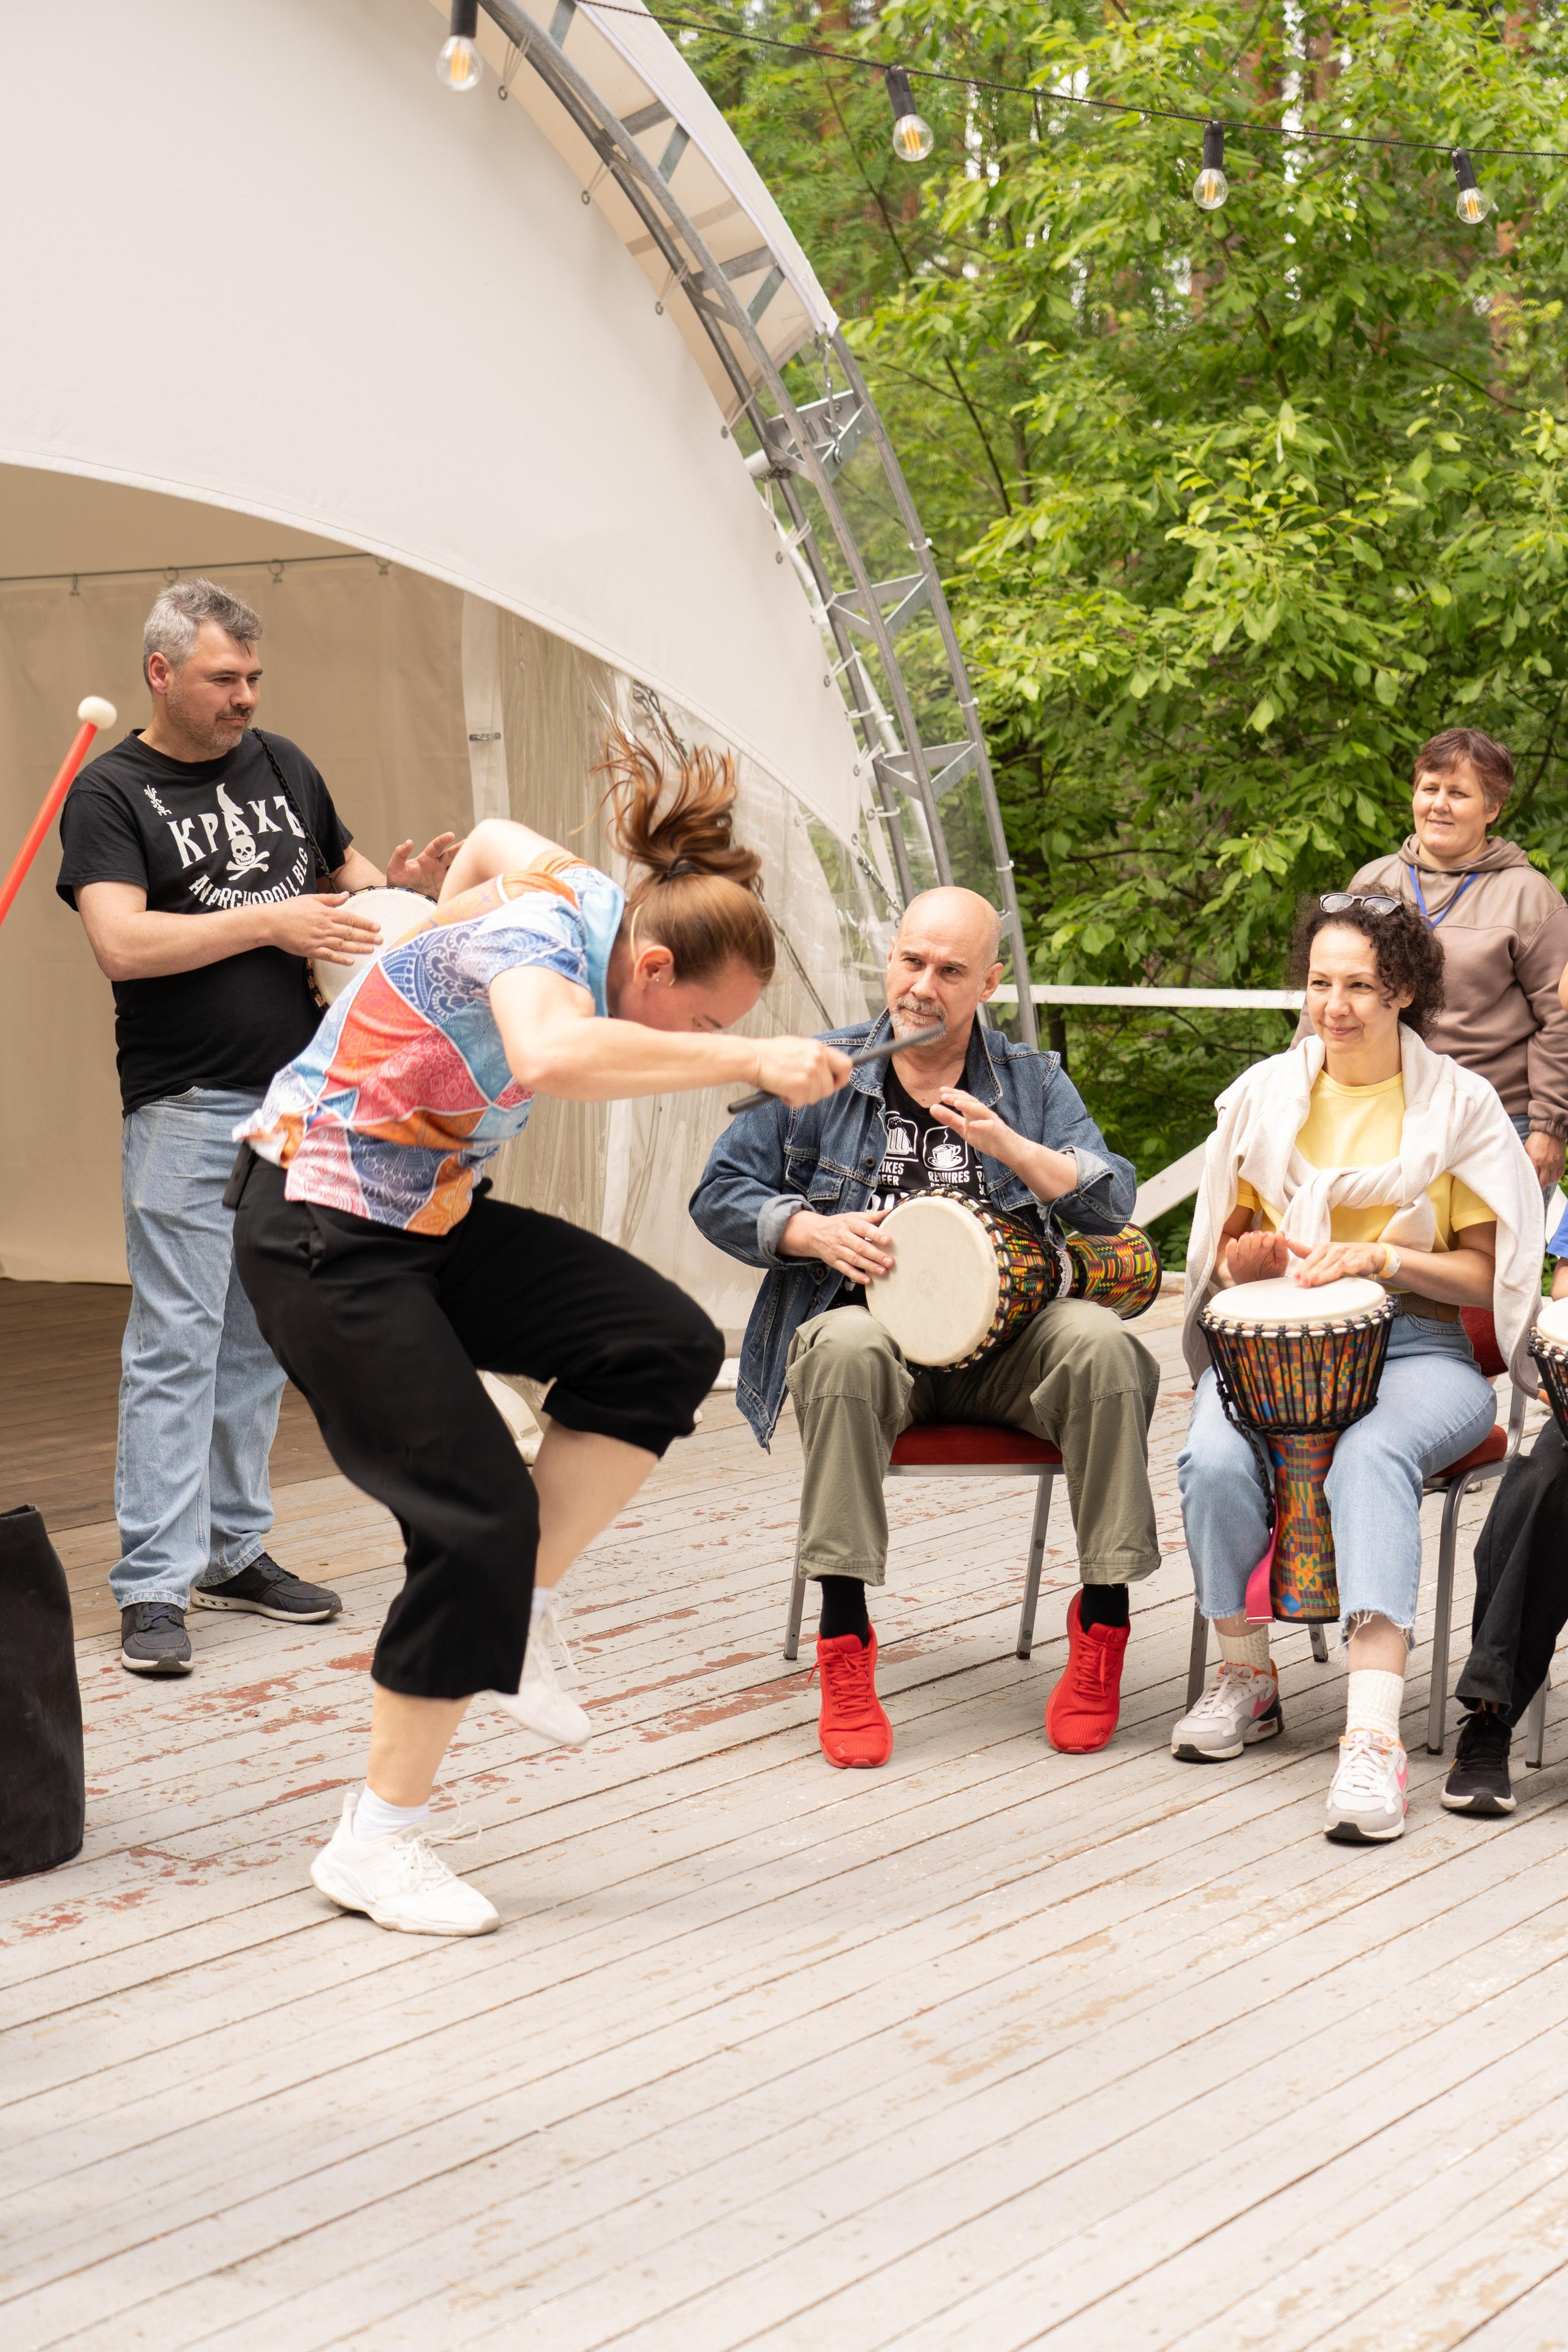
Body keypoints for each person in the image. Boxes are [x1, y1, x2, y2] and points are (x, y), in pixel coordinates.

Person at [230, 731, 846, 1936]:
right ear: (655, 966)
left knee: (658, 1343)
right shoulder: (543, 942)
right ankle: (379, 1839)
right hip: (318, 1222)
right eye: (691, 1025)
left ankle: (516, 1605)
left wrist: (422, 928)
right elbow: (553, 1053)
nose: (688, 1051)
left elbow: (498, 840)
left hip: (428, 1215)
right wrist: (750, 1055)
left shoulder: (580, 886)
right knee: (475, 1514)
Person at [57, 579, 458, 1678]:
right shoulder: (112, 792)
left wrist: (403, 897)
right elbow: (124, 946)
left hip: (299, 1106)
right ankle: (151, 1583)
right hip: (187, 1105)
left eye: (253, 678)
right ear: (161, 674)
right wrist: (265, 923)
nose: (244, 698)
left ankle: (233, 1552)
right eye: (223, 679)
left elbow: (353, 888)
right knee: (178, 1342)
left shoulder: (283, 765)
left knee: (257, 1342)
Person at [689, 886, 1163, 1770]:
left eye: (951, 971)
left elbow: (1113, 1205)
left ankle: (1103, 1624)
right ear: (889, 960)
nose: (924, 985)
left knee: (1105, 1349)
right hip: (872, 1345)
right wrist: (810, 1231)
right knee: (840, 1348)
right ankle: (845, 1644)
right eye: (912, 961)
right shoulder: (817, 1070)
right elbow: (720, 1197)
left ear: (988, 981)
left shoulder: (1031, 1082)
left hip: (1008, 1352)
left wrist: (1015, 1149)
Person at [1173, 897, 1543, 1842]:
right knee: (1211, 1456)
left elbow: (1479, 1273)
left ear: (1405, 992)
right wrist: (1247, 1260)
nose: (1333, 1007)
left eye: (1358, 987)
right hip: (1279, 1352)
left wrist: (1384, 1259)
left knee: (1367, 1459)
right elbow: (1224, 1253)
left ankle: (1372, 1738)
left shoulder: (1456, 1109)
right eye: (1320, 984)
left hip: (1422, 1350)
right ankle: (1248, 1677)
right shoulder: (1264, 1098)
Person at [1339, 728, 1568, 1190]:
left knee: (1489, 1262)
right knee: (1378, 1257)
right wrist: (1292, 1088)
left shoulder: (1529, 895)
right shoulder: (1371, 883)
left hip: (1495, 1120)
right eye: (1430, 788)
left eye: (1458, 793)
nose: (1439, 804)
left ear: (1492, 809)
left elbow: (1561, 1018)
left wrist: (1550, 1125)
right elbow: (1326, 994)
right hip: (1380, 1112)